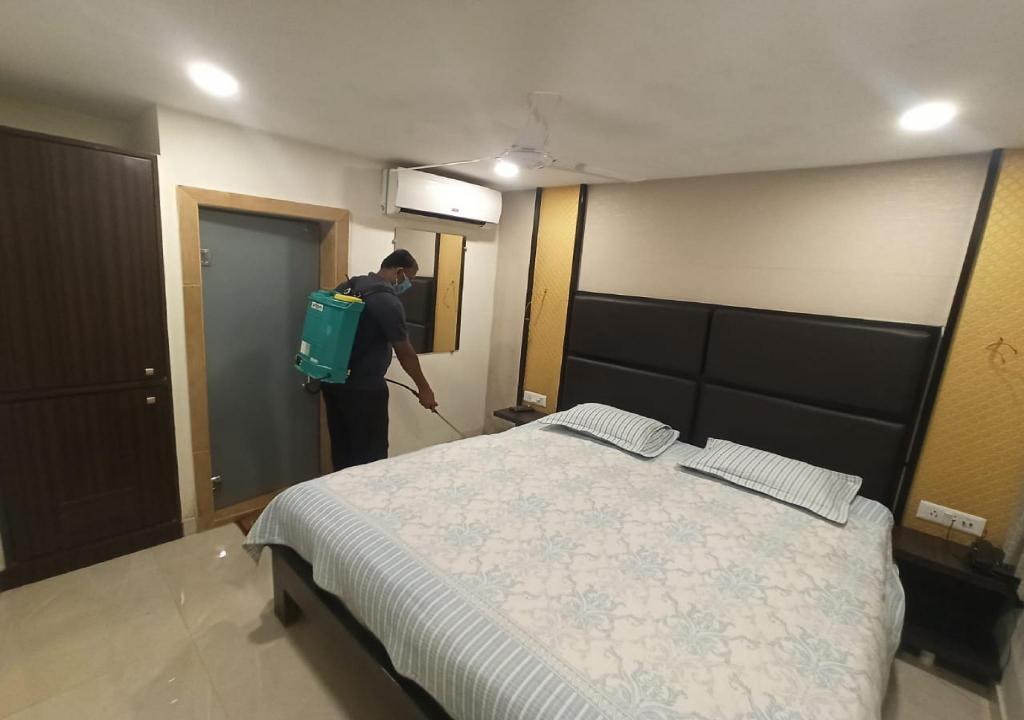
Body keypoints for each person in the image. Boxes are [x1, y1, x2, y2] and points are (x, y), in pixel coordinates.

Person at [321, 249, 438, 471]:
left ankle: (343, 489)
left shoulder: (351, 285)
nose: (408, 285)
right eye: (409, 278)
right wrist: (424, 389)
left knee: (342, 447)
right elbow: (405, 352)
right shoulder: (387, 301)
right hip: (364, 390)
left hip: (333, 383)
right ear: (399, 272)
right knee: (371, 455)